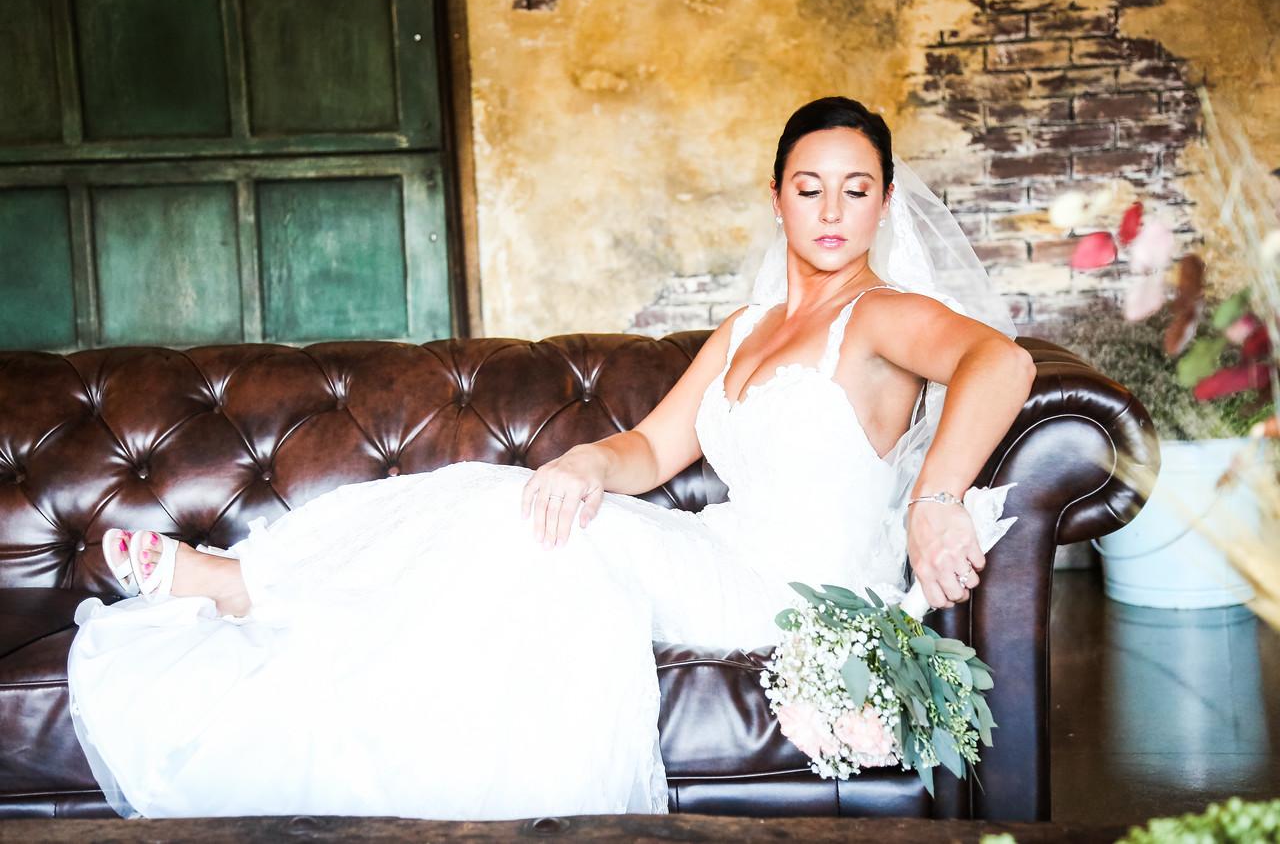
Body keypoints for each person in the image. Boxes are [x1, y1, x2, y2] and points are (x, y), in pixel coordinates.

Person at [68, 96, 1035, 819]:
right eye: (809, 187)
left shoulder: (883, 315)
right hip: (718, 549)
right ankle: (251, 583)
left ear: (883, 202)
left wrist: (935, 496)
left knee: (524, 523)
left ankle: (243, 585)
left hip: (789, 589)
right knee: (512, 496)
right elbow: (656, 444)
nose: (831, 211)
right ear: (777, 198)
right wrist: (581, 466)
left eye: (855, 190)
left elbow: (1003, 359)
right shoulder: (749, 328)